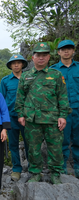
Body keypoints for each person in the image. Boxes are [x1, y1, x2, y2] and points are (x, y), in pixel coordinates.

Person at [15, 42, 72, 184]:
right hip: (32, 119)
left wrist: (63, 116)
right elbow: (20, 97)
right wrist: (20, 114)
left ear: (48, 57)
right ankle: (35, 173)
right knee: (33, 148)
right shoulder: (26, 76)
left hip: (52, 118)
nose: (41, 58)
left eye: (44, 55)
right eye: (38, 55)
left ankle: (56, 173)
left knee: (55, 148)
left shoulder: (56, 75)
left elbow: (63, 97)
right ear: (33, 58)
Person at [50, 40, 79, 178]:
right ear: (58, 52)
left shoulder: (78, 67)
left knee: (78, 140)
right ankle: (62, 170)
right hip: (61, 112)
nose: (66, 51)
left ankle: (78, 169)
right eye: (63, 49)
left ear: (73, 51)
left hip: (78, 109)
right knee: (62, 141)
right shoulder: (53, 70)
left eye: (69, 49)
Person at [0, 55, 29, 181]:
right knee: (13, 144)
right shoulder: (5, 81)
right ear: (10, 66)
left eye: (19, 63)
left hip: (27, 117)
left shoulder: (29, 78)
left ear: (22, 64)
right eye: (13, 63)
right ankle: (16, 169)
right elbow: (1, 101)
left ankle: (32, 167)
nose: (16, 65)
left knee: (30, 143)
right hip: (11, 117)